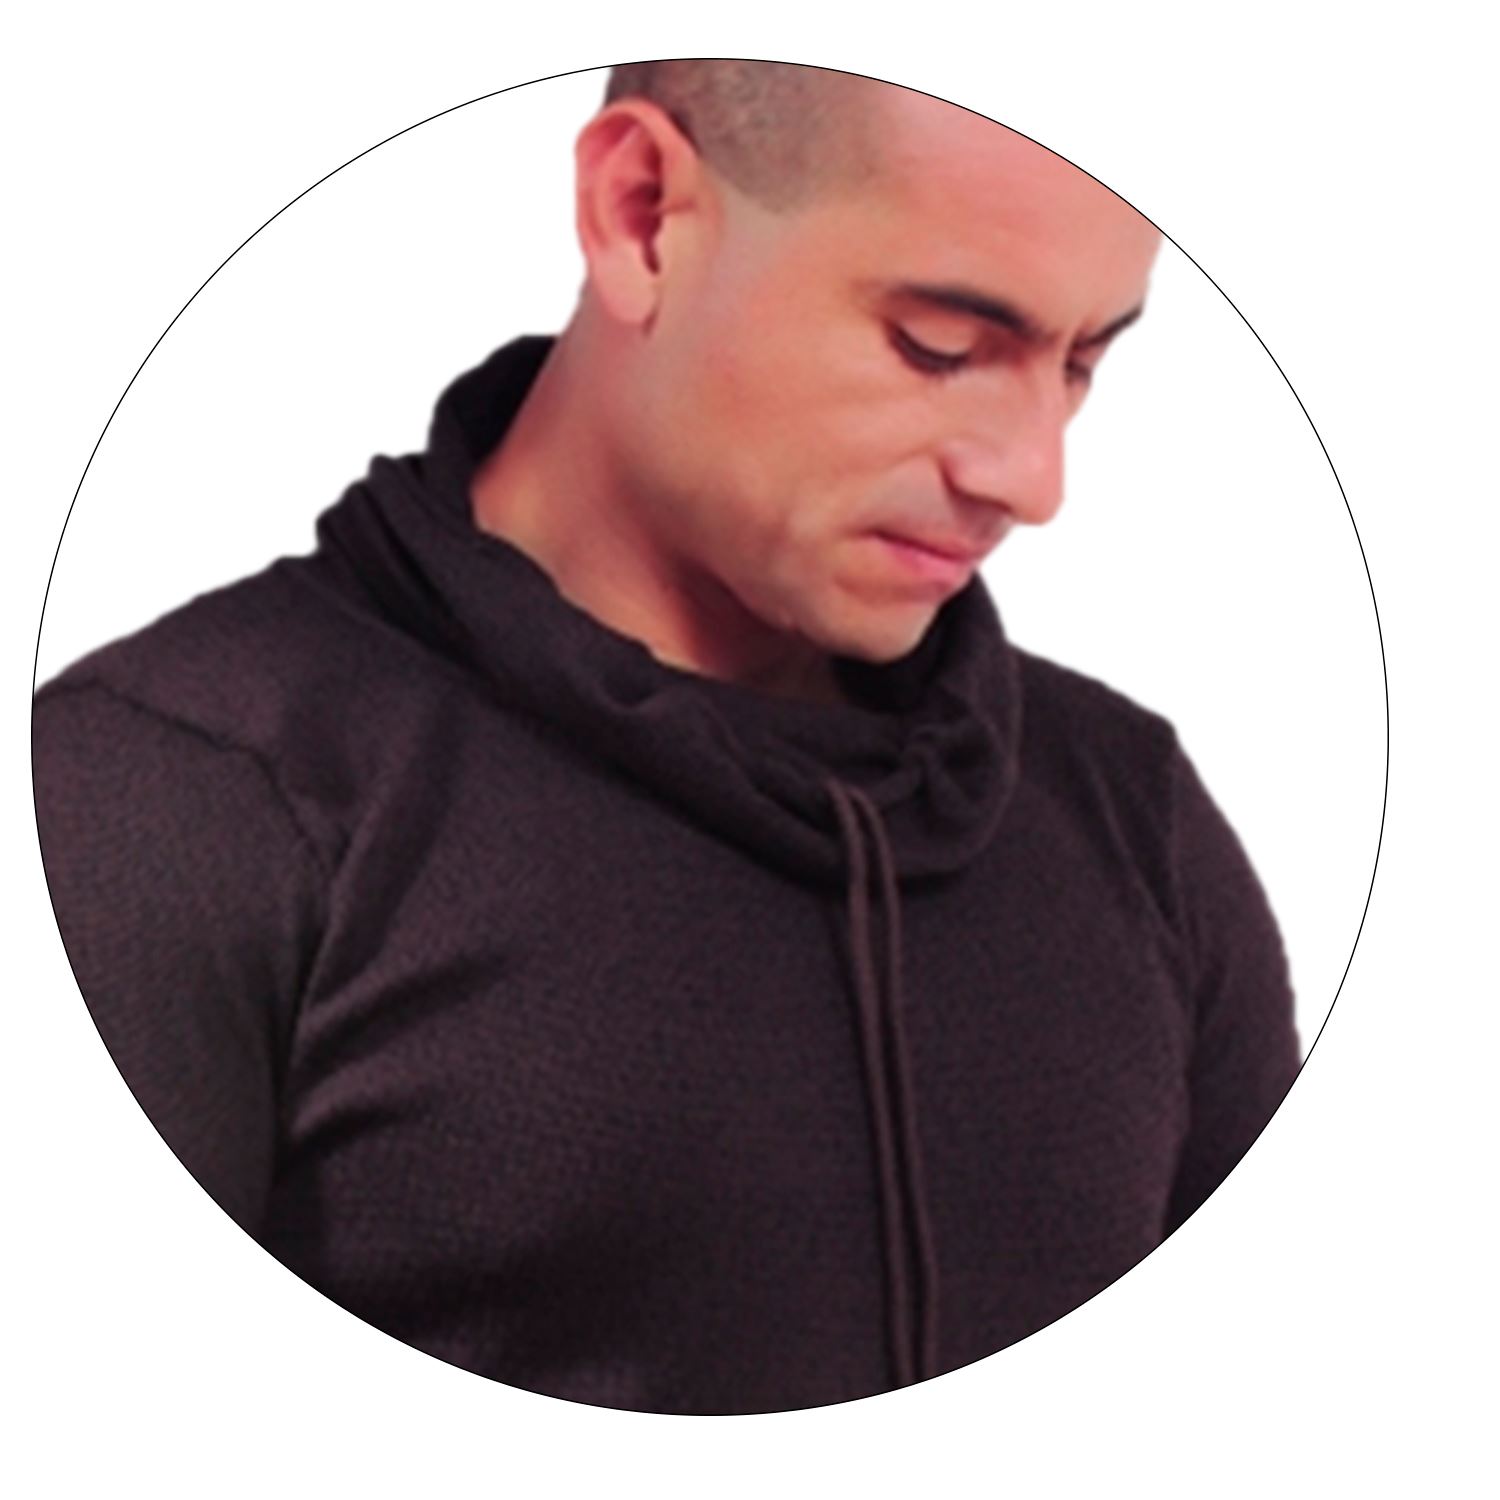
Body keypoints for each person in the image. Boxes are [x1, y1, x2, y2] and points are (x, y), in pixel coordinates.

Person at [31, 60, 1301, 1416]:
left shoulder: (1131, 813)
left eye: (1083, 361)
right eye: (937, 344)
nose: (1033, 478)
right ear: (640, 215)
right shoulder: (174, 797)